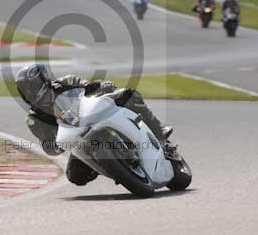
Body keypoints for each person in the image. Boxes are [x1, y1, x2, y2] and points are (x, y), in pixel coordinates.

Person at [16, 64, 173, 186]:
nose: (30, 93)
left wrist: (103, 88)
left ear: (43, 80)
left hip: (97, 115)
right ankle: (110, 166)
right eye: (26, 91)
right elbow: (47, 145)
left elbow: (95, 86)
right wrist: (56, 144)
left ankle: (158, 131)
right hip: (79, 141)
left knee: (130, 94)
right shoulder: (34, 119)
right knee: (75, 176)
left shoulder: (67, 82)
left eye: (32, 88)